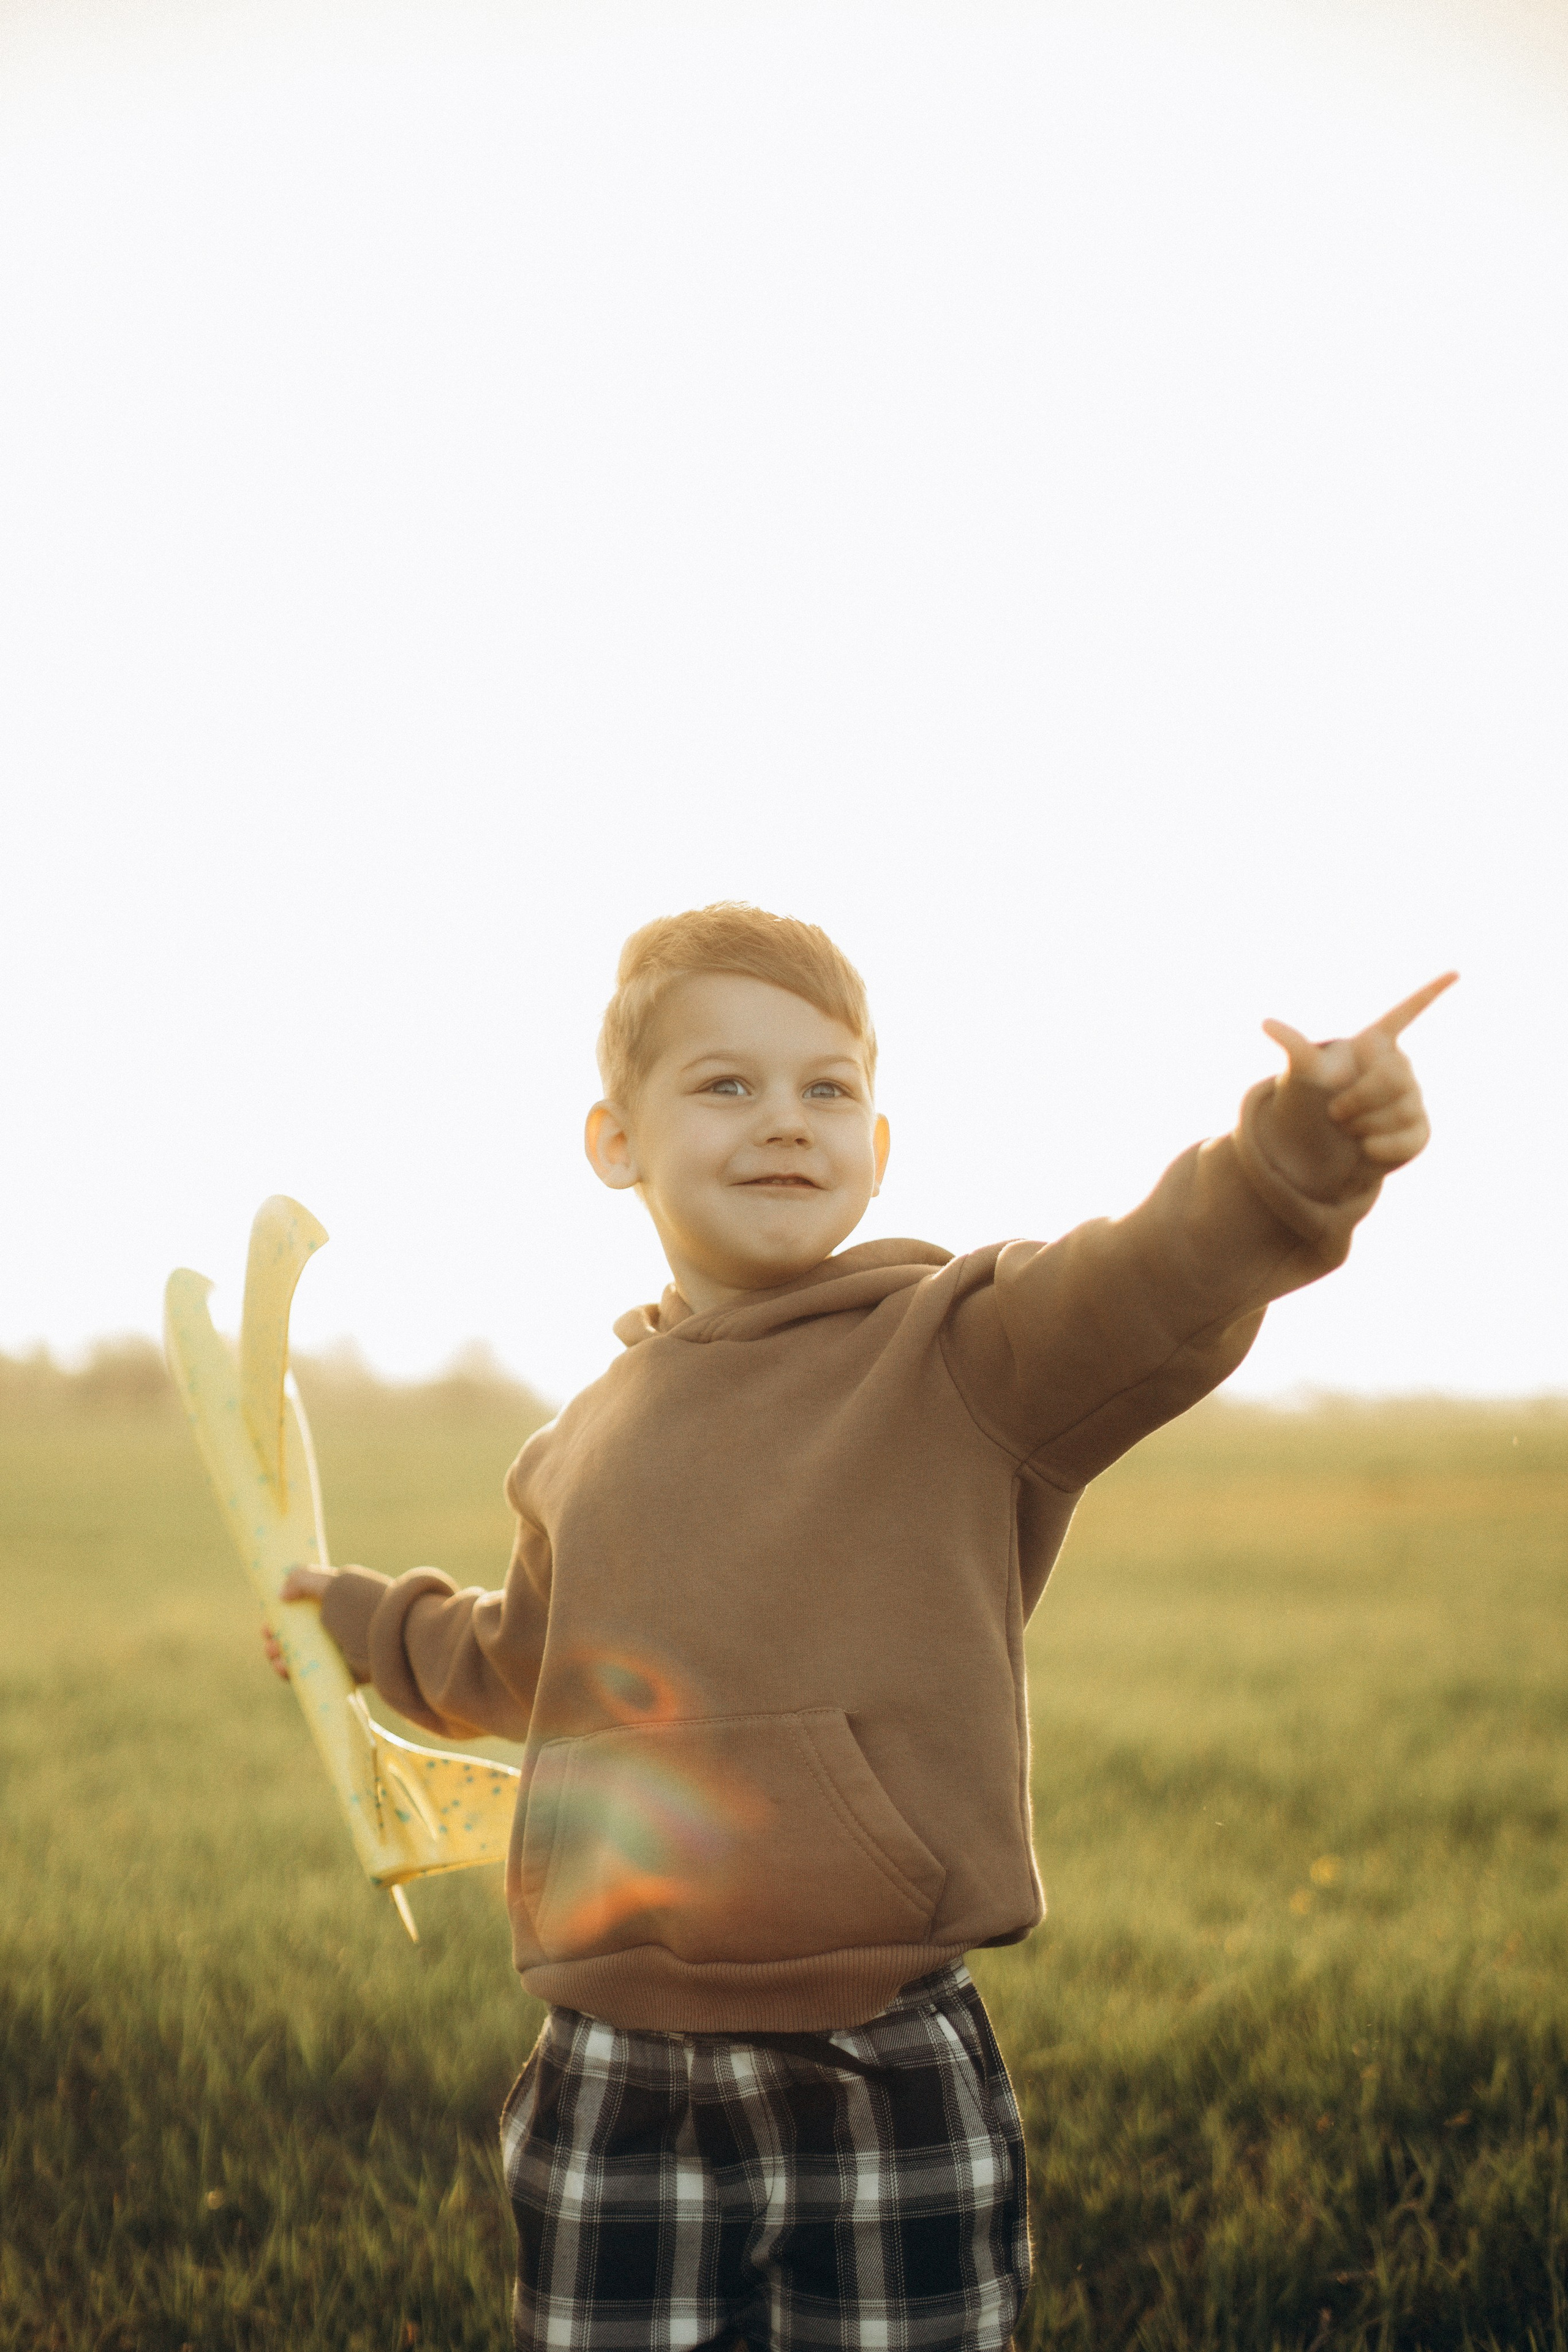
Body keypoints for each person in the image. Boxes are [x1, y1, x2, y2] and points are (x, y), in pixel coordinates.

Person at [268, 904, 1454, 2352]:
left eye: (827, 1087)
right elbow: (513, 1659)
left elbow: (1158, 1275)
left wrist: (1298, 1151)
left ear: (876, 1146)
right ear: (613, 1142)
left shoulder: (961, 1350)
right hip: (612, 2062)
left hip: (881, 2058)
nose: (785, 1121)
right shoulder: (574, 1446)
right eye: (726, 1084)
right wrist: (350, 1617)